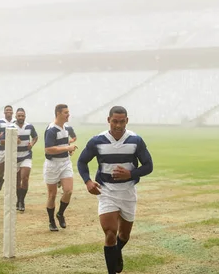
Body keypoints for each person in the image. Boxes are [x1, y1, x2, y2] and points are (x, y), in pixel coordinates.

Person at [77, 106, 153, 274]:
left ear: (127, 120)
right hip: (107, 192)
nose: (118, 125)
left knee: (124, 236)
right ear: (108, 120)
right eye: (115, 121)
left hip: (128, 193)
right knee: (110, 233)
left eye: (122, 121)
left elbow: (149, 166)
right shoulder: (97, 141)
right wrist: (88, 181)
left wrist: (130, 173)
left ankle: (116, 252)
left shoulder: (136, 140)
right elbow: (82, 162)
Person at [44, 104, 78, 231]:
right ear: (58, 113)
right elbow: (48, 149)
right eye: (66, 112)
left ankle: (60, 214)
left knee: (68, 191)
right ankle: (51, 221)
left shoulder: (67, 128)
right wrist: (67, 148)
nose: (68, 114)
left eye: (68, 112)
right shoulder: (51, 129)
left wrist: (68, 151)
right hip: (52, 165)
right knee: (52, 195)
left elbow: (64, 144)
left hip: (65, 163)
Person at [0, 108, 38, 212]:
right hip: (14, 157)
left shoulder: (29, 126)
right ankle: (18, 200)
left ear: (25, 116)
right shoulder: (10, 127)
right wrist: (12, 140)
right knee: (17, 181)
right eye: (19, 115)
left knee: (24, 178)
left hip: (26, 156)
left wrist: (32, 144)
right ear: (16, 116)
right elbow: (1, 142)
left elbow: (35, 137)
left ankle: (22, 200)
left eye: (22, 116)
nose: (21, 117)